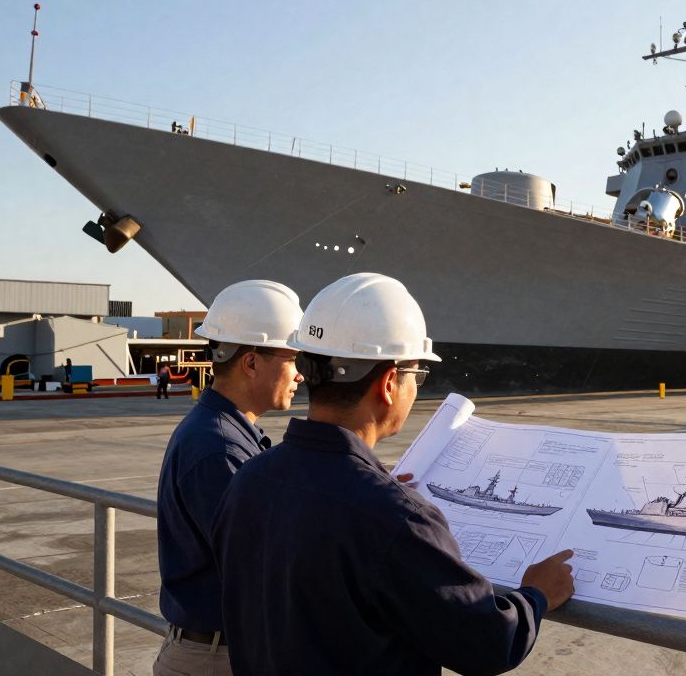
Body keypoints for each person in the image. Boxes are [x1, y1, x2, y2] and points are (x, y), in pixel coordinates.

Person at [213, 273, 575, 676]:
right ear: (389, 384)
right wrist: (537, 594)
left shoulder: (251, 478)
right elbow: (488, 642)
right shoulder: (394, 516)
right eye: (417, 375)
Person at [153, 280, 304, 676]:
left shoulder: (225, 432)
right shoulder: (219, 449)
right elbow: (265, 563)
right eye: (293, 360)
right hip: (219, 658)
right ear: (251, 363)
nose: (301, 375)